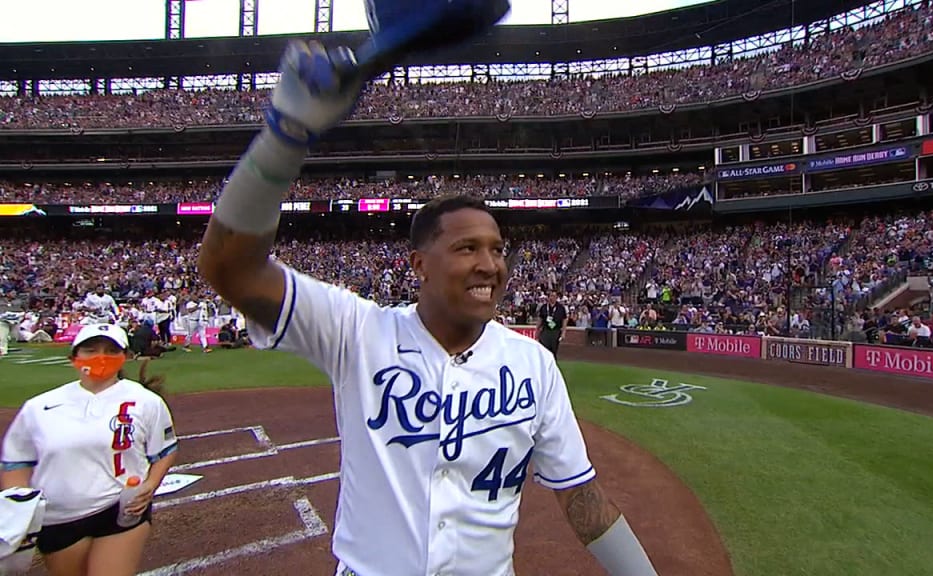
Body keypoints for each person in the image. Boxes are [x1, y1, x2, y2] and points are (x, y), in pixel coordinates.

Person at [198, 40, 658, 576]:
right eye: (467, 249)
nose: (489, 264)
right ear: (419, 265)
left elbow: (583, 500)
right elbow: (231, 268)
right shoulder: (357, 331)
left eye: (497, 249)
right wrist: (285, 135)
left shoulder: (533, 365)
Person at [0, 324, 179, 576]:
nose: (101, 357)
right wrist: (18, 508)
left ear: (124, 356)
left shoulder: (146, 402)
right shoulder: (39, 407)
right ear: (74, 357)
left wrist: (150, 484)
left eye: (110, 350)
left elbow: (164, 450)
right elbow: (17, 462)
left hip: (120, 510)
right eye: (91, 350)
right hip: (58, 516)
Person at [536, 291, 568, 358]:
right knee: (544, 350)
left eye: (553, 296)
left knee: (553, 350)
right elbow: (540, 319)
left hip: (555, 331)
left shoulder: (561, 308)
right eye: (550, 296)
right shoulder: (544, 307)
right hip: (545, 330)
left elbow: (564, 320)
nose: (552, 298)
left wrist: (563, 332)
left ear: (556, 297)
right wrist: (537, 330)